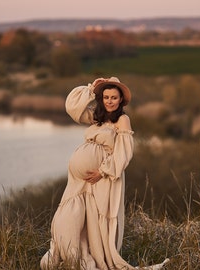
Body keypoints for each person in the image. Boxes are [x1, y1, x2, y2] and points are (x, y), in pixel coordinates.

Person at [40, 77, 167, 270]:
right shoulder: (97, 116)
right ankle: (72, 257)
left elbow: (124, 153)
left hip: (102, 179)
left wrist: (102, 171)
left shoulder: (122, 120)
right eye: (106, 97)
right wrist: (92, 88)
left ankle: (88, 259)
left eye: (114, 97)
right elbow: (72, 107)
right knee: (64, 220)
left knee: (93, 222)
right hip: (78, 182)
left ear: (121, 100)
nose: (109, 101)